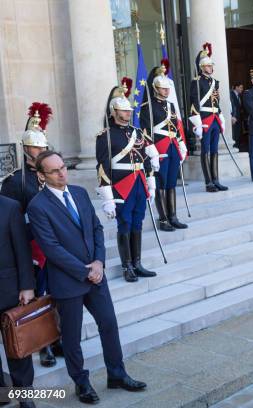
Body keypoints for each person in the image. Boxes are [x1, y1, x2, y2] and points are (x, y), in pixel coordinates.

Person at [27, 151, 147, 404]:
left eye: (63, 167)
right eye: (54, 170)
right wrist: (86, 270)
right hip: (68, 282)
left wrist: (99, 262)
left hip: (96, 276)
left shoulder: (80, 193)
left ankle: (117, 374)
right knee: (71, 337)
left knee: (109, 324)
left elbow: (97, 229)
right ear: (41, 176)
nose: (62, 173)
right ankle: (81, 383)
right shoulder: (38, 206)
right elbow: (51, 249)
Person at [0, 102, 61, 367]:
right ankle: (43, 344)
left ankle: (56, 337)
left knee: (55, 293)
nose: (41, 152)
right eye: (36, 148)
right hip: (32, 248)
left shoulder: (49, 174)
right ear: (26, 149)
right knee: (36, 296)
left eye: (44, 147)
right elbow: (10, 222)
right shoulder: (15, 181)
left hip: (53, 245)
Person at [96, 80, 158, 282]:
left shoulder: (137, 132)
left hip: (139, 183)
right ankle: (126, 266)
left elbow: (144, 158)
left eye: (129, 110)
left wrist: (150, 180)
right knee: (125, 224)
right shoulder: (105, 136)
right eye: (123, 111)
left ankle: (137, 263)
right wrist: (107, 197)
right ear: (114, 112)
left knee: (138, 223)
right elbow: (103, 166)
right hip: (121, 186)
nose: (128, 113)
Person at [140, 61, 189, 232]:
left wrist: (181, 144)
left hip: (173, 146)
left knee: (171, 183)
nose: (166, 91)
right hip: (159, 148)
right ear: (155, 88)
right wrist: (151, 150)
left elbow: (175, 127)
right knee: (160, 183)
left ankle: (173, 216)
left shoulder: (171, 105)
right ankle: (163, 219)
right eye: (163, 89)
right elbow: (145, 131)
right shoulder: (148, 107)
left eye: (168, 88)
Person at [0, 195, 36, 408]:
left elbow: (23, 250)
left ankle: (25, 396)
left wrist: (27, 286)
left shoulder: (10, 207)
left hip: (10, 290)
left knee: (17, 346)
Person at [189, 42, 228, 192]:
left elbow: (216, 102)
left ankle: (216, 179)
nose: (211, 68)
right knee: (205, 150)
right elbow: (193, 102)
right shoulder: (196, 82)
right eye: (208, 65)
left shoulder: (214, 82)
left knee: (214, 150)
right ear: (202, 67)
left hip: (215, 118)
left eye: (211, 65)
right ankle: (208, 182)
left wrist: (221, 116)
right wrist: (197, 122)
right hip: (204, 118)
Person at [230, 82, 243, 149]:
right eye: (240, 87)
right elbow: (232, 106)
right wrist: (233, 116)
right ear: (236, 87)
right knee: (234, 134)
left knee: (238, 133)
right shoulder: (231, 94)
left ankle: (237, 146)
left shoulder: (239, 96)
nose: (242, 89)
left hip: (239, 119)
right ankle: (234, 146)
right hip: (234, 118)